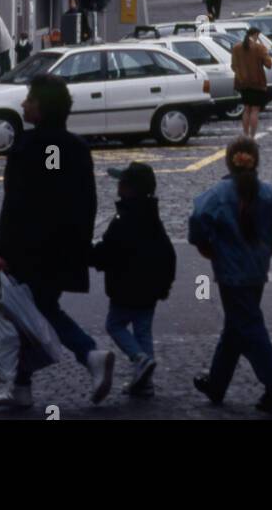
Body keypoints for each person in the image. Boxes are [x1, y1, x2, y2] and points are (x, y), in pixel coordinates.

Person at [0, 76, 114, 409]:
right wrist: (78, 245)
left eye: (29, 99)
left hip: (28, 250)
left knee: (36, 310)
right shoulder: (76, 148)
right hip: (63, 247)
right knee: (32, 310)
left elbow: (16, 205)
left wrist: (1, 251)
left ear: (41, 108)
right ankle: (22, 386)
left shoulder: (27, 148)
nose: (23, 104)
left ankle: (89, 354)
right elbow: (88, 203)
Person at [189, 137, 272, 412]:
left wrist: (207, 245)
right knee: (237, 325)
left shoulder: (217, 194)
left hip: (230, 272)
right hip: (257, 269)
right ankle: (216, 383)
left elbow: (197, 220)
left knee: (248, 326)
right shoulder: (269, 194)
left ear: (228, 161)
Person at [91, 162, 176, 400]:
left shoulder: (122, 220)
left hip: (124, 288)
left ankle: (139, 359)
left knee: (114, 325)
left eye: (122, 183)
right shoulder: (153, 218)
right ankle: (144, 382)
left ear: (130, 189)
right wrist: (164, 285)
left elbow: (108, 253)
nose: (118, 186)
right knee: (143, 331)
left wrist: (89, 257)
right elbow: (169, 254)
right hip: (149, 290)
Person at [231, 27, 272, 138]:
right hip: (257, 82)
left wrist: (241, 76)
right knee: (255, 110)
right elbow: (269, 64)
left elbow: (233, 66)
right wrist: (265, 48)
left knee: (246, 109)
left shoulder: (236, 48)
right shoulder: (259, 48)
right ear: (256, 35)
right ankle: (252, 137)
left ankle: (245, 135)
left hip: (243, 83)